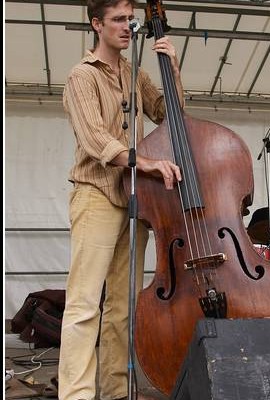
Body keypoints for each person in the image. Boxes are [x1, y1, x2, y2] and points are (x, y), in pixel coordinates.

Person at [58, 1, 184, 399]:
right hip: (96, 195)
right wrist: (147, 163)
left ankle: (113, 393)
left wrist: (174, 70)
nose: (128, 27)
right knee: (83, 307)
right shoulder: (82, 76)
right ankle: (76, 395)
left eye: (130, 20)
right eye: (117, 20)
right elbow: (97, 141)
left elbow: (171, 115)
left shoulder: (135, 74)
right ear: (96, 24)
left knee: (122, 307)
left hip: (133, 201)